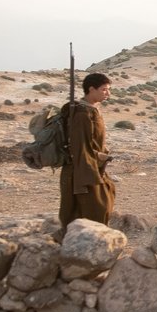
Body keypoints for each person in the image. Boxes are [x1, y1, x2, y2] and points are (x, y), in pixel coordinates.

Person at [59, 72, 116, 227]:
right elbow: (80, 146)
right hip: (82, 170)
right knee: (94, 208)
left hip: (91, 167)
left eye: (108, 89)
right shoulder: (82, 114)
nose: (108, 93)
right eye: (104, 89)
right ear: (91, 89)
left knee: (105, 199)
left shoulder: (91, 109)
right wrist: (98, 158)